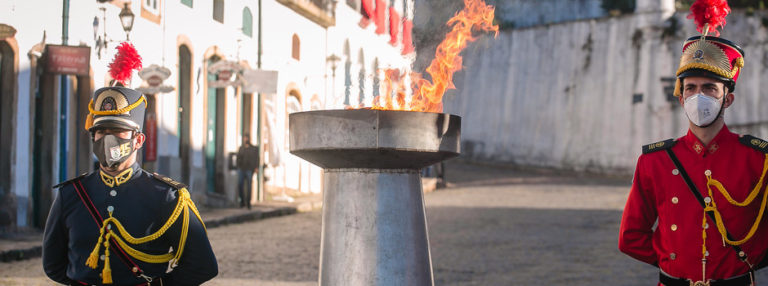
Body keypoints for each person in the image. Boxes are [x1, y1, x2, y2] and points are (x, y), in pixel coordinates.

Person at [619, 2, 768, 285]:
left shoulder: (759, 159)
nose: (699, 96)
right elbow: (630, 237)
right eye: (691, 88)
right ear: (681, 97)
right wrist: (673, 261)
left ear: (728, 98)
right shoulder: (655, 160)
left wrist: (744, 262)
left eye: (710, 88)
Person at [42, 84, 218, 285]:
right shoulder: (72, 194)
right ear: (93, 136)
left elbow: (203, 265)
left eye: (118, 131)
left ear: (138, 140)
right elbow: (53, 265)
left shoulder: (166, 197)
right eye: (101, 131)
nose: (108, 138)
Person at [236, 134, 259, 209]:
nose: (246, 139)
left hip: (249, 169)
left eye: (247, 138)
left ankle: (248, 203)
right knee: (240, 185)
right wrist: (238, 166)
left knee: (249, 186)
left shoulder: (254, 148)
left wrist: (256, 167)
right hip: (241, 169)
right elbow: (238, 157)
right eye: (245, 138)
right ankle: (242, 202)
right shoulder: (241, 148)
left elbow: (256, 158)